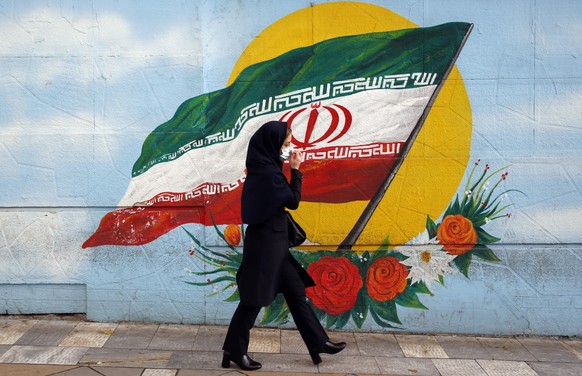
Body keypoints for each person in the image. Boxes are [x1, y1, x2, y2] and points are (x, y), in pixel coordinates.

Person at [221, 120, 346, 370]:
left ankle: (318, 342)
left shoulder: (265, 168)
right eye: (287, 144)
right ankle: (234, 350)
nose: (291, 148)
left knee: (296, 291)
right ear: (273, 145)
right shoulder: (268, 174)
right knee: (253, 300)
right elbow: (293, 201)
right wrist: (296, 170)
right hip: (267, 247)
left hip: (273, 243)